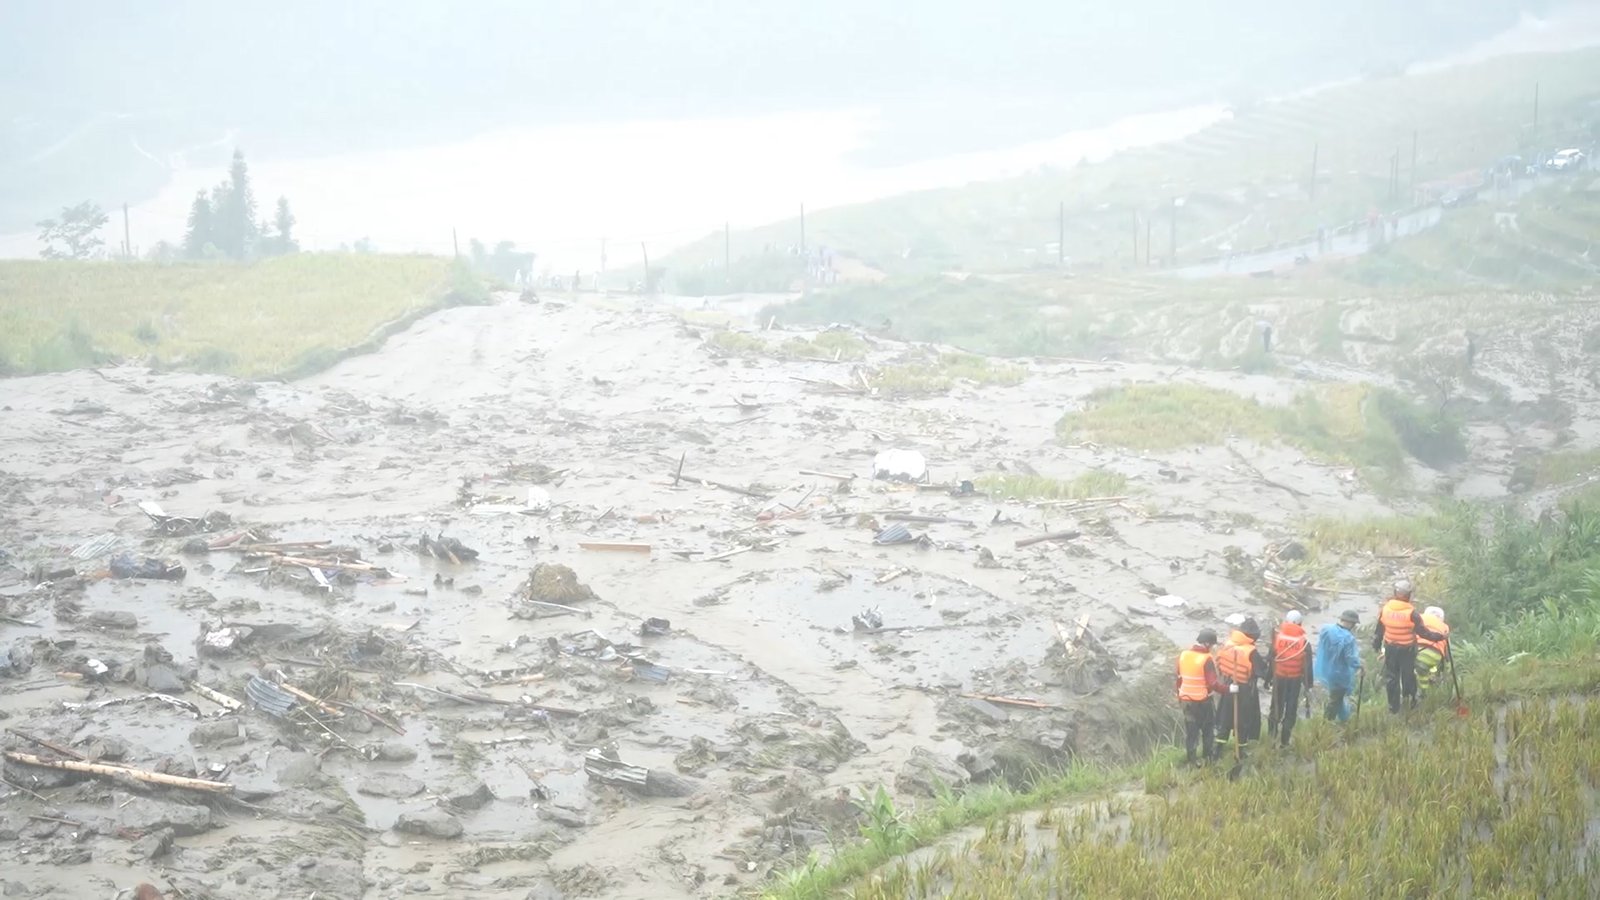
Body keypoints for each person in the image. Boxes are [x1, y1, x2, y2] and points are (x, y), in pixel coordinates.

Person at [1372, 579, 1447, 713]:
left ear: (1395, 593)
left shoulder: (1385, 610)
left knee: (1392, 677)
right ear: (1409, 595)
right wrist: (1440, 637)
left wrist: (1376, 644)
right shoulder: (1412, 614)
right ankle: (1410, 701)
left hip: (1390, 648)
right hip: (1407, 650)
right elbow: (1424, 633)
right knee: (1408, 676)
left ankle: (1393, 707)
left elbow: (1379, 630)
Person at [1214, 618, 1268, 755]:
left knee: (1225, 718)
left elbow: (1219, 663)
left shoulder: (1228, 644)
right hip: (1244, 690)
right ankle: (1241, 751)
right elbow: (1261, 671)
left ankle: (1217, 750)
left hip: (1227, 686)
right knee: (1243, 720)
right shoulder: (1251, 652)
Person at [1176, 628, 1224, 766]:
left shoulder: (1183, 655)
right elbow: (1213, 683)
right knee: (1208, 730)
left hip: (1186, 700)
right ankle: (1208, 758)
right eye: (1213, 645)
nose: (1213, 648)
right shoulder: (1206, 659)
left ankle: (1192, 760)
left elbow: (1179, 677)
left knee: (1191, 731)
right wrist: (1228, 689)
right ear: (1207, 644)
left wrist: (1179, 695)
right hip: (1203, 701)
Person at [1266, 610, 1314, 747]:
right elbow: (1308, 667)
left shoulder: (1277, 639)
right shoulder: (1304, 643)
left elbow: (1272, 661)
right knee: (1291, 710)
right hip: (1294, 681)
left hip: (1279, 679)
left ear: (1286, 622)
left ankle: (1271, 739)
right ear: (1300, 624)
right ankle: (1284, 742)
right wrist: (1308, 685)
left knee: (1276, 708)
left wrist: (1267, 679)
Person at [1315, 609, 1363, 721]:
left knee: (1337, 698)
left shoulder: (1326, 630)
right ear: (1351, 623)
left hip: (1326, 669)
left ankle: (1344, 720)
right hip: (1339, 674)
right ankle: (1326, 723)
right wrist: (1359, 666)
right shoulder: (1348, 638)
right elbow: (1350, 658)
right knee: (1335, 700)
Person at [1415, 605, 1451, 687]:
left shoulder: (1419, 618)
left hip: (1417, 651)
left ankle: (1418, 691)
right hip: (1435, 656)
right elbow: (1447, 653)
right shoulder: (1445, 627)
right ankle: (1430, 680)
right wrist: (1448, 663)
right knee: (1427, 670)